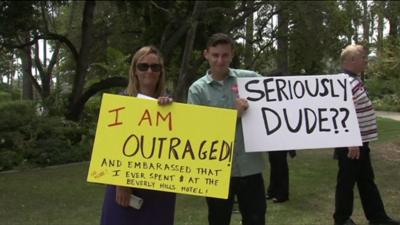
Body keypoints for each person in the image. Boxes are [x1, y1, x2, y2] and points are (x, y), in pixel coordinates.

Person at [187, 33, 266, 225]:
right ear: (206, 54)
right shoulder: (197, 90)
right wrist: (235, 115)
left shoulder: (251, 80)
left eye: (224, 55)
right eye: (215, 55)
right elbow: (199, 132)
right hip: (216, 171)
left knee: (256, 220)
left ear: (232, 54)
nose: (220, 60)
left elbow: (278, 98)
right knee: (218, 220)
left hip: (250, 167)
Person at [100, 46, 176, 225]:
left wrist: (170, 111)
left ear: (160, 72)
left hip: (159, 190)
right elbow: (110, 146)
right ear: (134, 70)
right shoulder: (121, 102)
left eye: (155, 67)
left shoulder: (170, 103)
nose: (149, 71)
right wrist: (121, 183)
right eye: (143, 66)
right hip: (126, 188)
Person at [333, 44, 399, 225]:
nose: (366, 61)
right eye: (363, 57)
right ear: (352, 60)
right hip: (351, 143)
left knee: (366, 180)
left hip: (361, 141)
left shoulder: (354, 80)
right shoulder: (343, 82)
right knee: (346, 180)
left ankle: (377, 216)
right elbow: (342, 114)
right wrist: (351, 140)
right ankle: (342, 219)